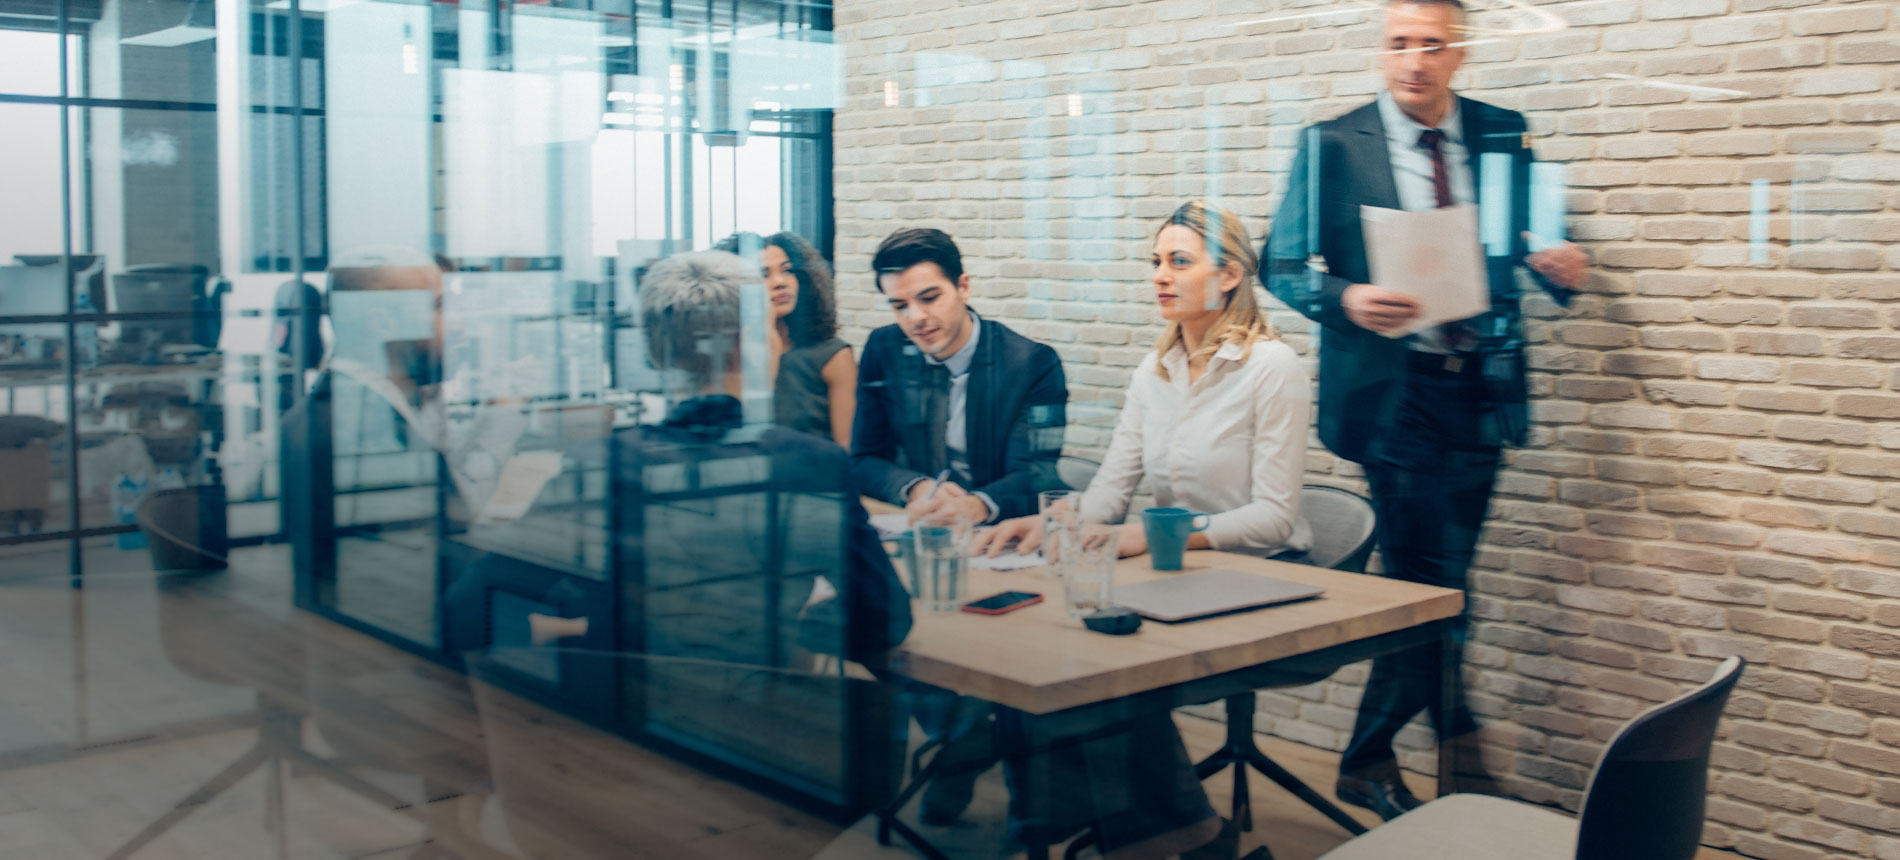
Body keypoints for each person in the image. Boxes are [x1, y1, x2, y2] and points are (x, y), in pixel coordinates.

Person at [1261, 0, 1590, 822]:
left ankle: (1440, 762)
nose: (1412, 60)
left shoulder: (1503, 132)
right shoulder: (1331, 142)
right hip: (1390, 397)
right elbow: (1281, 263)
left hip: (1480, 390)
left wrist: (1562, 266)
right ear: (1382, 51)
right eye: (1397, 44)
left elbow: (1538, 241)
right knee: (1433, 587)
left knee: (1444, 589)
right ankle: (1408, 759)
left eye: (1429, 44)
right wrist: (1346, 294)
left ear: (1459, 52)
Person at [975, 200, 1314, 563]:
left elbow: (1274, 519)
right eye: (1157, 262)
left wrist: (1148, 533)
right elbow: (1110, 493)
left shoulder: (1272, 366)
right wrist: (1047, 524)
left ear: (1229, 276)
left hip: (1267, 570)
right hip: (1181, 565)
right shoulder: (1154, 370)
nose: (1160, 276)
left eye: (1179, 261)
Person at [852, 227, 1069, 526]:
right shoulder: (883, 348)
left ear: (963, 287)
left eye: (928, 298)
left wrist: (977, 505)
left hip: (1000, 529)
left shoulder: (1031, 363)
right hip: (923, 523)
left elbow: (1034, 473)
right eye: (900, 306)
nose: (915, 318)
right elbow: (863, 459)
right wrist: (917, 486)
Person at [714, 231, 857, 447]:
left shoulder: (832, 356)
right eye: (763, 274)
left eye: (787, 270)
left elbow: (847, 451)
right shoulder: (726, 357)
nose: (780, 282)